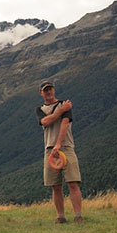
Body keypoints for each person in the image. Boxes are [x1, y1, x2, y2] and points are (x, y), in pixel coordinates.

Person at [36, 81, 83, 224]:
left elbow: (65, 123)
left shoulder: (65, 104)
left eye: (50, 89)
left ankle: (78, 216)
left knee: (73, 182)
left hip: (66, 147)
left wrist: (58, 144)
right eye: (45, 90)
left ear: (54, 90)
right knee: (55, 186)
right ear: (41, 93)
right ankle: (61, 217)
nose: (48, 92)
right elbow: (45, 122)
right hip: (49, 149)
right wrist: (61, 111)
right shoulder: (41, 109)